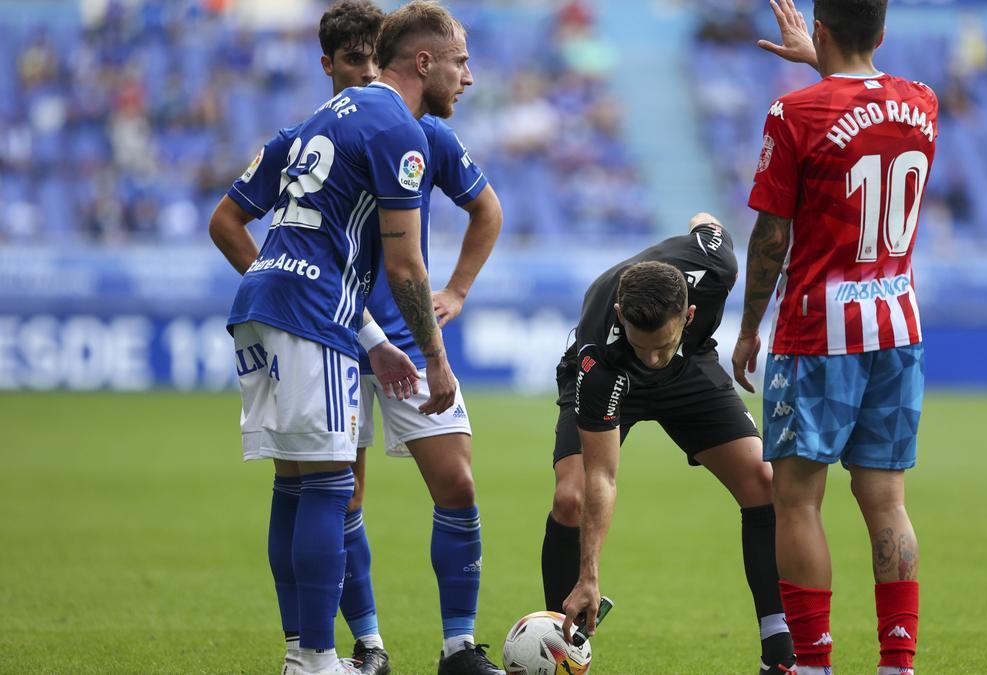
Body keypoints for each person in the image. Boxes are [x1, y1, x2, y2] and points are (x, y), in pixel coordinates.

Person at [210, 2, 505, 672]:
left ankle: (310, 653)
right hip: (321, 317)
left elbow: (476, 213)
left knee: (301, 485)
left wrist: (410, 314)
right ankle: (325, 654)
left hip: (302, 311)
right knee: (326, 488)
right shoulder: (395, 128)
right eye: (460, 62)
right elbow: (402, 263)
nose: (468, 77)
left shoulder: (331, 117)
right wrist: (436, 358)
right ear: (423, 62)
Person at [733, 1, 937, 674]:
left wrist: (748, 328)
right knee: (887, 502)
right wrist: (824, 55)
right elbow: (864, 97)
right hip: (897, 325)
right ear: (881, 33)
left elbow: (770, 236)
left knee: (797, 499)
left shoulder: (794, 116)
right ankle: (897, 664)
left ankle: (814, 664)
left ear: (818, 29)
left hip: (818, 331)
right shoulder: (924, 104)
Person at [545, 213, 797, 673]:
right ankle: (562, 650)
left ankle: (778, 651)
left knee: (762, 478)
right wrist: (590, 574)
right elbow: (604, 475)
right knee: (572, 495)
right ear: (622, 316)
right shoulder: (598, 354)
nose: (653, 358)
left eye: (661, 345)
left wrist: (744, 335)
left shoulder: (715, 264)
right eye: (645, 347)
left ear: (690, 314)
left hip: (691, 370)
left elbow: (707, 222)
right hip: (615, 375)